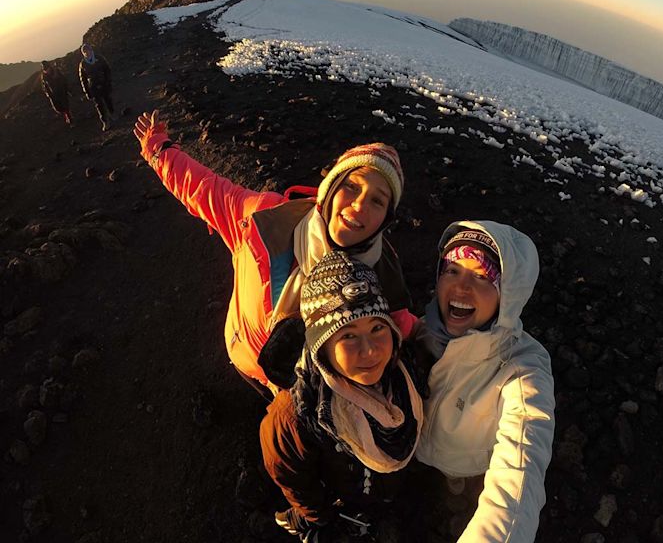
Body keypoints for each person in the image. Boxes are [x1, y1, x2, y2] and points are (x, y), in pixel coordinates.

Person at [133, 110, 414, 398]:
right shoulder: (265, 221)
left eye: (377, 200)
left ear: (386, 219)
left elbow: (404, 332)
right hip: (244, 355)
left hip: (303, 395)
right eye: (351, 186)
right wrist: (159, 150)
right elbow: (205, 188)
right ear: (329, 190)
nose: (359, 205)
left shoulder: (385, 276)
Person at [260, 251, 423, 541]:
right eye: (347, 335)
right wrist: (320, 515)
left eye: (377, 327)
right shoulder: (298, 416)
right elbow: (293, 477)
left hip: (384, 489)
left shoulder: (405, 372)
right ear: (321, 347)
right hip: (340, 497)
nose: (370, 350)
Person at [414, 220, 555, 542]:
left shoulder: (521, 368)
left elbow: (520, 468)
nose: (461, 288)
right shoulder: (416, 332)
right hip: (413, 449)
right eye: (451, 270)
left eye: (481, 276)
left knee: (455, 479)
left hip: (463, 460)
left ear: (508, 296)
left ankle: (455, 484)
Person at [78, 43, 114, 131]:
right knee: (99, 105)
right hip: (93, 87)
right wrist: (87, 91)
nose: (87, 53)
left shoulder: (99, 58)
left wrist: (108, 82)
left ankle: (111, 114)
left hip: (104, 84)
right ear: (83, 53)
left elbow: (107, 70)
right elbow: (83, 79)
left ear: (91, 50)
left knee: (108, 100)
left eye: (88, 51)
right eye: (85, 52)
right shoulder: (83, 64)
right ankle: (105, 121)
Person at [40, 60, 72, 125]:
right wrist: (49, 95)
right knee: (58, 108)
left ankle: (70, 119)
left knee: (65, 106)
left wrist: (67, 88)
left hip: (61, 91)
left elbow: (63, 79)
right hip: (54, 94)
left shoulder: (56, 71)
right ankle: (67, 115)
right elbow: (45, 87)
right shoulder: (44, 76)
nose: (47, 70)